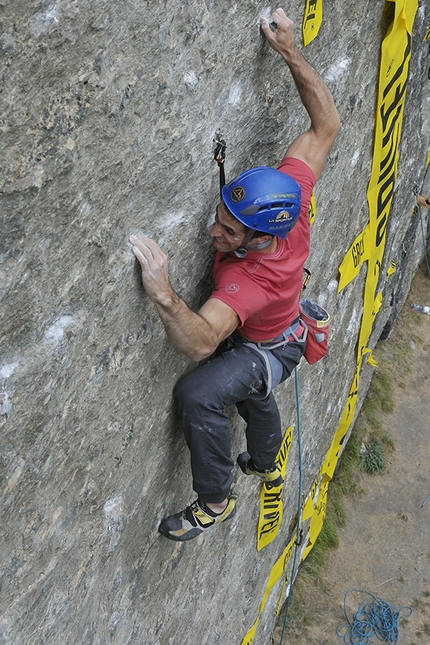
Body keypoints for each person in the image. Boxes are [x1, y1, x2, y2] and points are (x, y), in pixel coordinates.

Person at [129, 8, 340, 541]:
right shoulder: (290, 191)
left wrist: (162, 292)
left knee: (205, 390)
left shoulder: (253, 280)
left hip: (267, 344)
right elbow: (327, 125)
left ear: (258, 239)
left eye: (227, 233)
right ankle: (267, 462)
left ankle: (216, 498)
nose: (211, 233)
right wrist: (290, 50)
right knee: (254, 392)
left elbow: (201, 343)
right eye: (219, 216)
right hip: (285, 330)